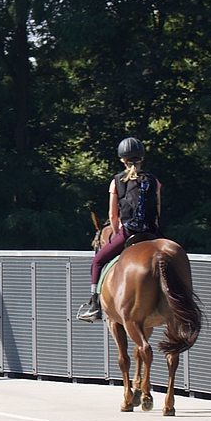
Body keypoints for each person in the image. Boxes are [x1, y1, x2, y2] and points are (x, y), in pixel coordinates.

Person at [76, 137, 162, 322]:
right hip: (151, 232)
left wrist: (117, 235)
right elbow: (158, 212)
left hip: (129, 232)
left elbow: (113, 215)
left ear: (122, 160)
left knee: (98, 261)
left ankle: (94, 305)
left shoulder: (117, 181)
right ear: (142, 158)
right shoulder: (155, 181)